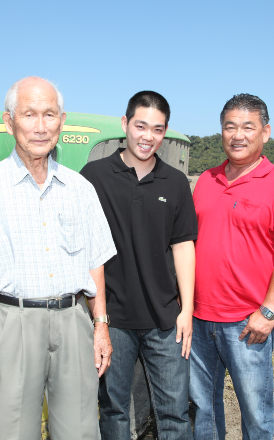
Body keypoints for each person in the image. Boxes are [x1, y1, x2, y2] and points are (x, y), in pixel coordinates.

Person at [0, 76, 116, 440]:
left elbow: (95, 264)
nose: (41, 127)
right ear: (9, 121)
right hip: (11, 323)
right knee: (12, 430)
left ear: (62, 120)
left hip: (73, 322)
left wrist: (101, 326)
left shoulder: (81, 189)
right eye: (30, 115)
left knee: (80, 429)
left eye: (50, 115)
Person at [189, 93, 274, 440]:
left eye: (247, 127)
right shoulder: (206, 181)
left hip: (247, 323)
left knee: (256, 415)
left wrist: (268, 312)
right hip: (199, 321)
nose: (237, 135)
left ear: (265, 132)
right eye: (230, 127)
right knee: (203, 413)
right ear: (221, 132)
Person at [81, 91, 197, 440]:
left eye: (158, 129)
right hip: (112, 318)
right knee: (113, 411)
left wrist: (187, 310)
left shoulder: (175, 182)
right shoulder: (94, 176)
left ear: (164, 132)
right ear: (125, 124)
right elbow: (84, 248)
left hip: (165, 320)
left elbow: (183, 246)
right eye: (141, 126)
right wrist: (97, 318)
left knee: (174, 413)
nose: (148, 136)